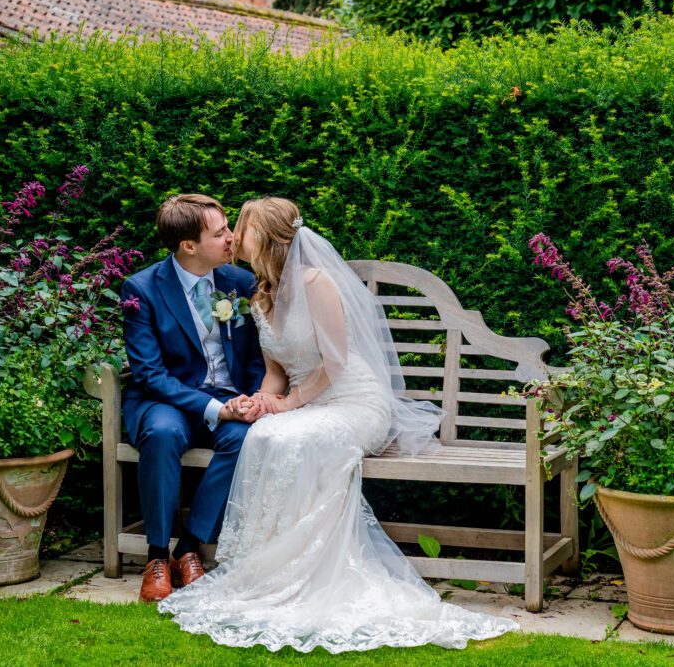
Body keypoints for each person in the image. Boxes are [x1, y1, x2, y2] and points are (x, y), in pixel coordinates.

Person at [157, 197, 517, 651]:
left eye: (240, 228)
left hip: (352, 399)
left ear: (264, 237)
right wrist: (264, 400)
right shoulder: (259, 292)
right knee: (265, 433)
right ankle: (273, 568)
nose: (232, 237)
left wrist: (290, 404)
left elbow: (336, 361)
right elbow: (277, 371)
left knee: (302, 438)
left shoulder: (316, 282)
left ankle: (314, 570)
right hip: (305, 399)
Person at [120, 194, 268, 603]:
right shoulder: (142, 289)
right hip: (166, 400)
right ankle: (156, 556)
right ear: (189, 246)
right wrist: (215, 409)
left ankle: (189, 547)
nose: (231, 238)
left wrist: (251, 398)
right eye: (220, 232)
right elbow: (149, 374)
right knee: (163, 433)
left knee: (244, 439)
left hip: (228, 396)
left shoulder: (239, 283)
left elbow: (257, 356)